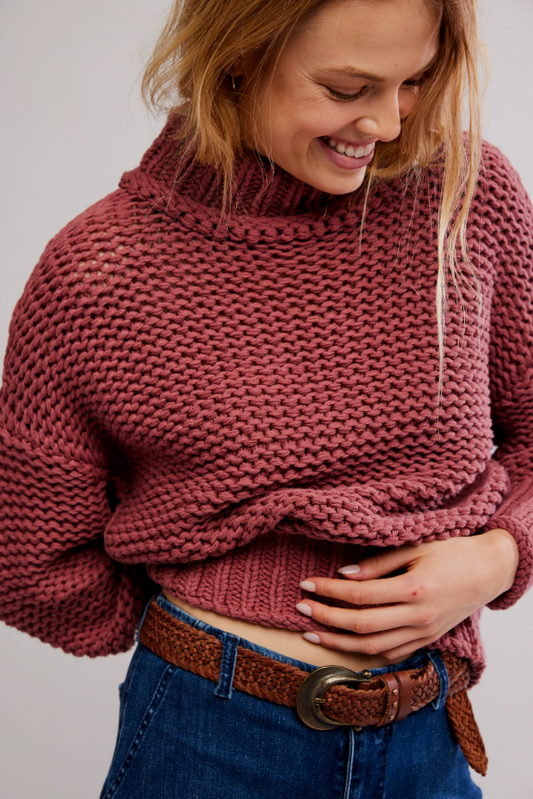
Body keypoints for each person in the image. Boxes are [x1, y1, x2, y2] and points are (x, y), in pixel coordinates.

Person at [0, 0, 532, 796]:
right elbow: (31, 558)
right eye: (347, 88)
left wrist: (498, 555)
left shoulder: (465, 196)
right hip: (208, 736)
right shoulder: (98, 273)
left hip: (427, 736)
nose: (387, 123)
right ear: (237, 56)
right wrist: (211, 615)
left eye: (413, 81)